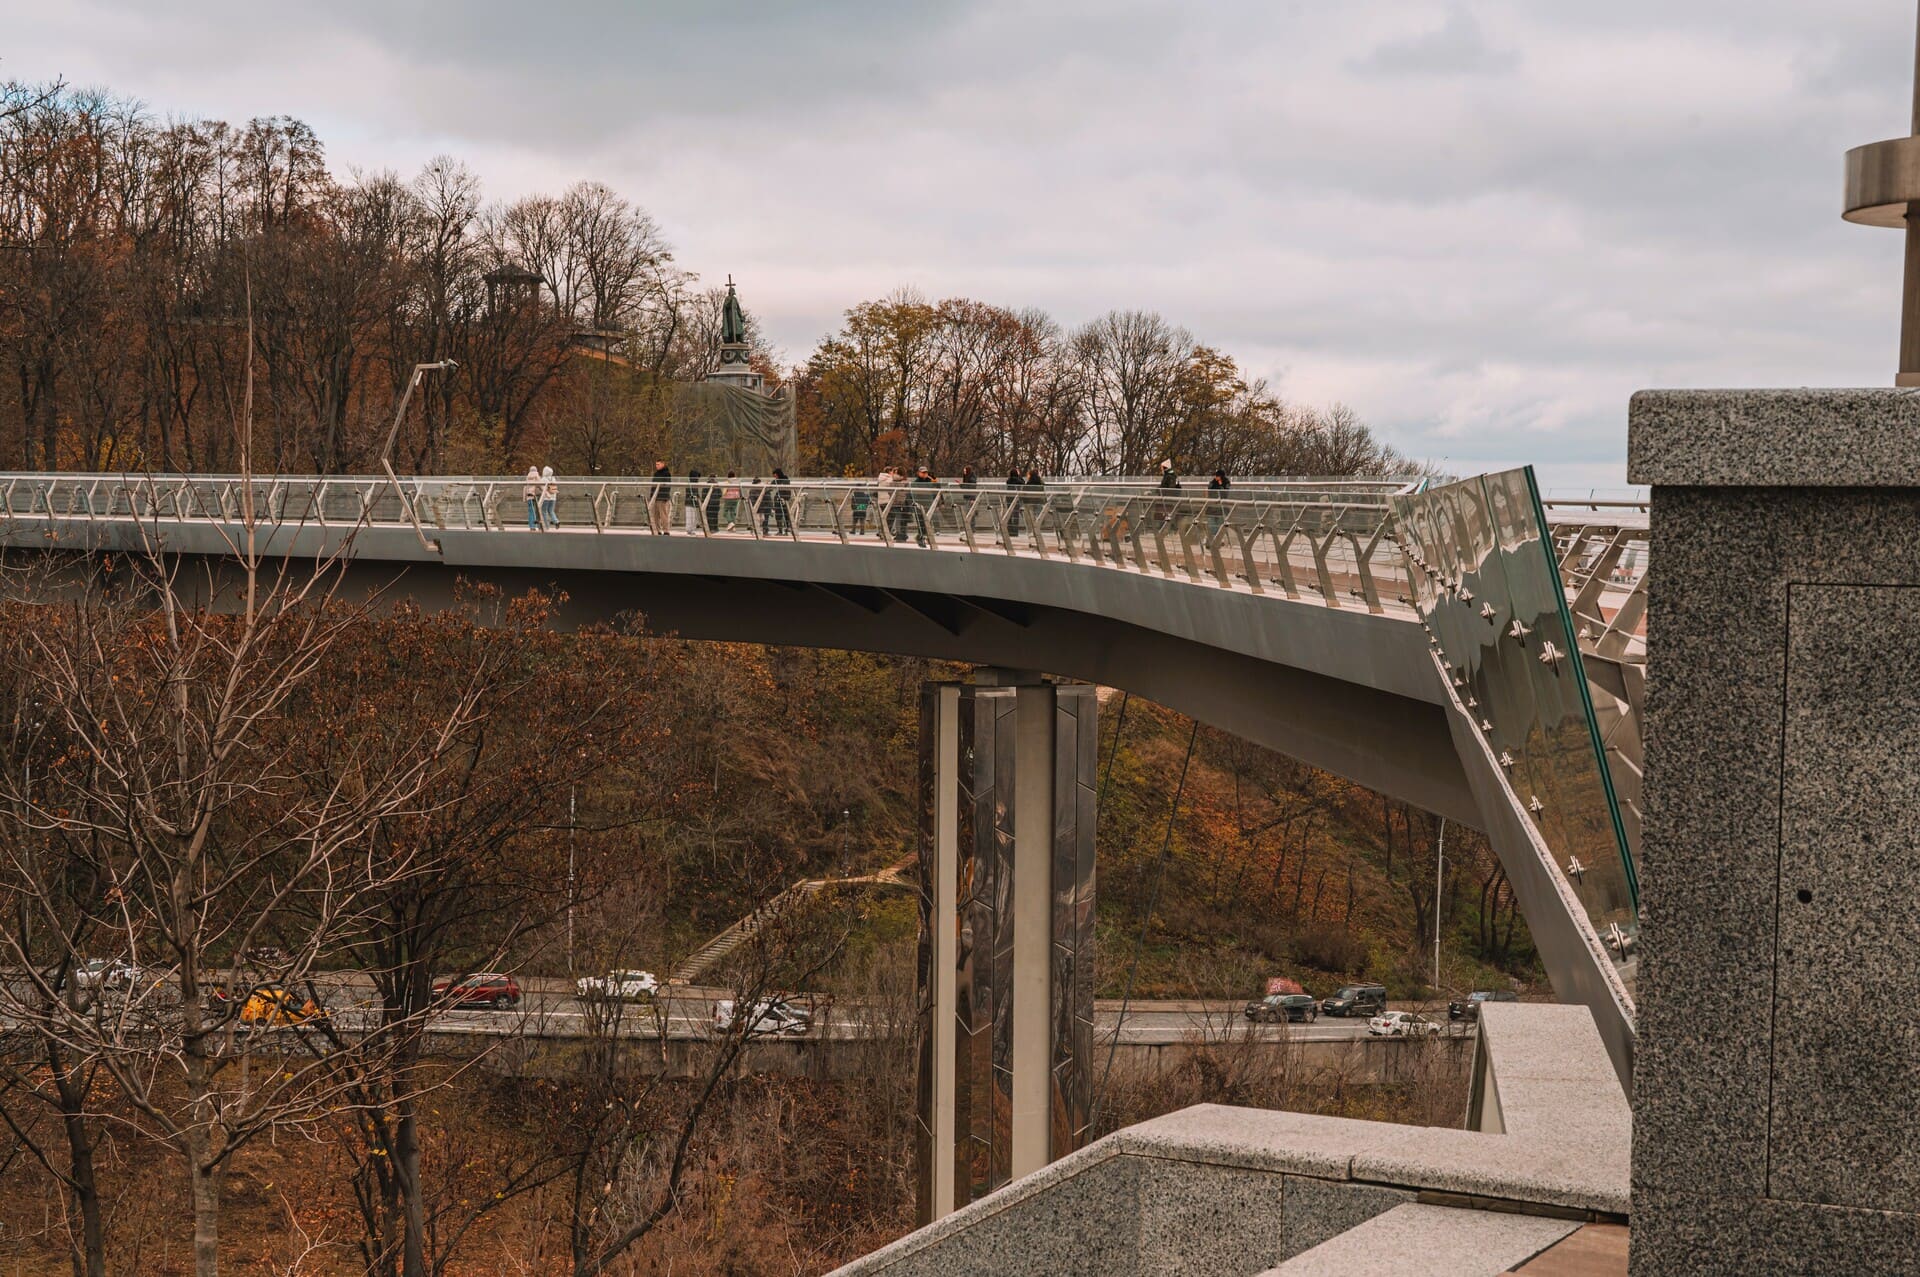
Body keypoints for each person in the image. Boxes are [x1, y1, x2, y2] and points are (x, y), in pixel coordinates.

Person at [910, 466, 938, 546]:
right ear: (918, 473)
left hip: (928, 505)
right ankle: (921, 538)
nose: (925, 474)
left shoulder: (930, 481)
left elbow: (937, 490)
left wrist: (934, 479)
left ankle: (922, 537)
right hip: (919, 505)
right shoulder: (916, 482)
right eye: (923, 472)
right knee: (921, 523)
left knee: (927, 523)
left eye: (926, 472)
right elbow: (914, 494)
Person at [648, 460, 673, 535]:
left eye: (658, 464)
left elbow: (667, 486)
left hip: (662, 498)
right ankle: (657, 530)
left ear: (663, 464)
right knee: (655, 515)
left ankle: (666, 530)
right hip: (655, 498)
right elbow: (653, 486)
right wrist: (651, 496)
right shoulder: (656, 474)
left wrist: (665, 497)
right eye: (656, 464)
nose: (657, 466)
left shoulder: (667, 473)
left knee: (663, 515)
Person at [1206, 469, 1230, 539]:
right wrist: (1214, 482)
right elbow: (1209, 488)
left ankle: (1220, 537)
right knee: (1212, 521)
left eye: (1217, 476)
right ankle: (1213, 536)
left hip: (1222, 505)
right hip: (1213, 505)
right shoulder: (1213, 482)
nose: (1216, 477)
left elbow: (1225, 493)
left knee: (1220, 521)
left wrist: (1220, 484)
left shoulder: (1226, 482)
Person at [769, 467, 793, 535]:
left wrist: (784, 499)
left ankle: (784, 530)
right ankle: (782, 530)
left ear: (778, 474)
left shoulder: (784, 480)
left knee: (784, 515)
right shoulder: (779, 480)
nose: (775, 477)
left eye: (775, 476)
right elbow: (771, 485)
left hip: (783, 499)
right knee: (782, 515)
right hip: (781, 499)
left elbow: (787, 491)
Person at [1005, 466, 1025, 536]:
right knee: (1016, 514)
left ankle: (1010, 530)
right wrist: (1019, 476)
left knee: (1009, 514)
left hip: (1009, 497)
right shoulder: (1018, 480)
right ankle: (1015, 531)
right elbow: (1023, 482)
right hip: (1016, 498)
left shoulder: (1009, 480)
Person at [684, 468, 704, 534]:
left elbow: (696, 493)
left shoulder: (695, 484)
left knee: (693, 517)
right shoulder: (690, 484)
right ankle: (689, 529)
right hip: (689, 503)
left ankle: (692, 528)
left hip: (694, 503)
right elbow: (689, 494)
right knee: (690, 516)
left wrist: (698, 498)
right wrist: (695, 497)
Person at [540, 465, 559, 530]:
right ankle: (556, 521)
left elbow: (541, 487)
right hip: (553, 497)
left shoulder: (543, 479)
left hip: (546, 497)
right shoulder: (553, 478)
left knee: (543, 511)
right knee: (551, 510)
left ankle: (546, 525)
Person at [523, 466, 542, 531]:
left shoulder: (527, 477)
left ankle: (532, 526)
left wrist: (524, 498)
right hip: (535, 495)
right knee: (538, 511)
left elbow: (525, 487)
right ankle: (539, 526)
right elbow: (540, 484)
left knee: (531, 511)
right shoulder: (536, 475)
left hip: (529, 496)